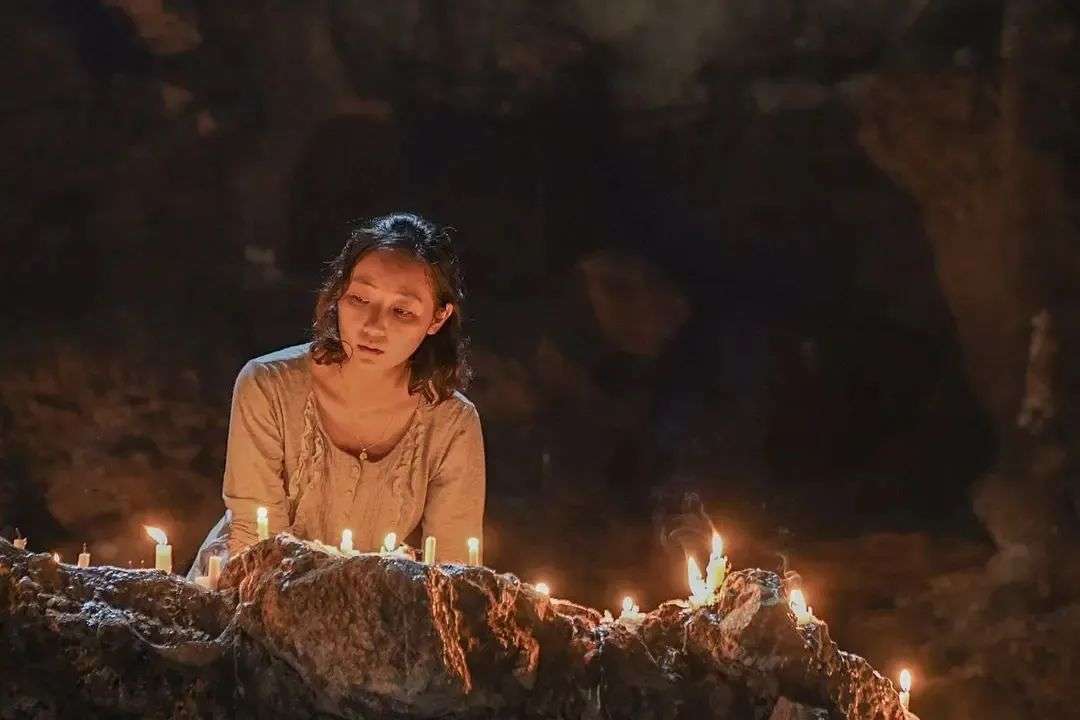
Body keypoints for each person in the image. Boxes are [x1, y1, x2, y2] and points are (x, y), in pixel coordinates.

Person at [188, 212, 485, 578]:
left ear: (437, 318)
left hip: (371, 602)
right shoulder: (268, 385)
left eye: (401, 311)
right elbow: (255, 540)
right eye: (359, 299)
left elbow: (454, 570)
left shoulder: (452, 423)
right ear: (339, 293)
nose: (373, 326)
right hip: (251, 590)